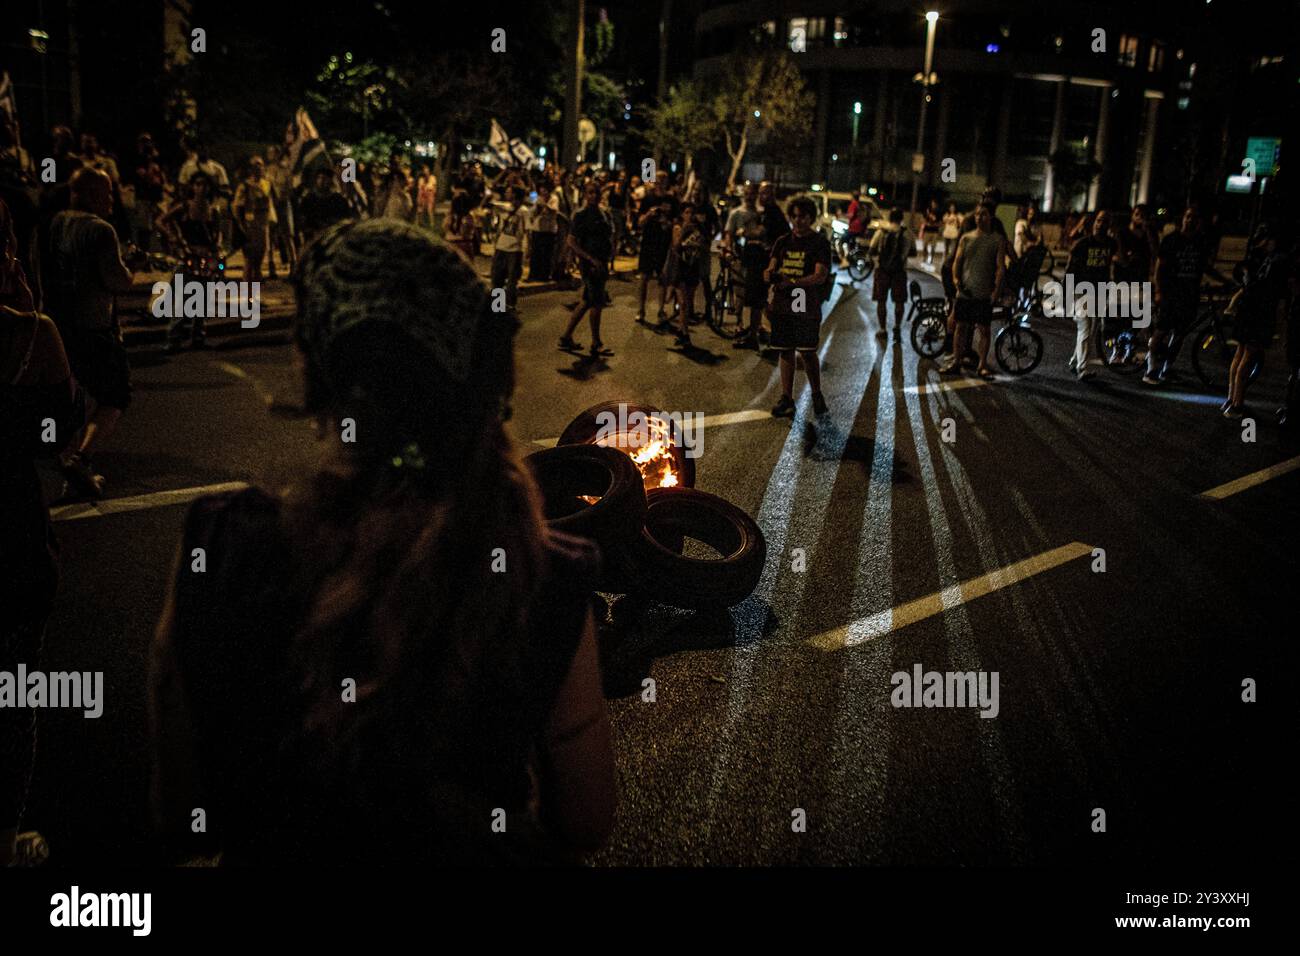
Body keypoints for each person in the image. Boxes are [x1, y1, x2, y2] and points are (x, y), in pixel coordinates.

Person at [149, 218, 616, 864]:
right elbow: (586, 822)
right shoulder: (544, 574)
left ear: (317, 371)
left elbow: (182, 811)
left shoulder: (223, 543)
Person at [1, 298, 84, 867]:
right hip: (11, 538)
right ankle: (6, 839)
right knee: (12, 693)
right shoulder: (30, 334)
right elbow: (62, 425)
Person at [42, 167, 134, 498]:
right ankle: (81, 458)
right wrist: (130, 269)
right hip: (94, 326)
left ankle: (71, 466)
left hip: (61, 324)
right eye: (106, 192)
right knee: (115, 395)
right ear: (89, 194)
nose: (111, 200)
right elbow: (116, 280)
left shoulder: (55, 224)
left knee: (78, 396)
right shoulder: (100, 230)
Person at [764, 195, 832, 418]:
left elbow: (820, 275)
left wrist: (793, 283)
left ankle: (816, 394)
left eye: (802, 216)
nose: (797, 221)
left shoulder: (819, 242)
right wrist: (769, 274)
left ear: (811, 217)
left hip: (806, 304)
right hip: (783, 305)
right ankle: (786, 398)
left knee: (807, 351)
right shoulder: (782, 241)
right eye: (793, 216)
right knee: (785, 349)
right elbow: (772, 265)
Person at [1143, 206, 1219, 387]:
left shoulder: (1200, 242)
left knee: (1180, 334)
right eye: (1188, 217)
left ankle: (1167, 369)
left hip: (1190, 294)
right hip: (1171, 292)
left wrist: (1222, 280)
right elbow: (1159, 267)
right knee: (1161, 330)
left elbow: (1205, 267)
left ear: (1198, 222)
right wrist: (1159, 291)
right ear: (1183, 219)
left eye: (1194, 218)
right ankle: (1151, 369)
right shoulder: (1171, 240)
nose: (1190, 220)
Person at [1223, 223, 1293, 419]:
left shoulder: (1254, 257)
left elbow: (1244, 282)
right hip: (1260, 312)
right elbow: (1277, 293)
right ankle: (1237, 404)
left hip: (1246, 309)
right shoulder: (1277, 260)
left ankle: (1231, 399)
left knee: (1240, 353)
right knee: (1248, 356)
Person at [940, 202, 1005, 379]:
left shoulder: (997, 240)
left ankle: (982, 365)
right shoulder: (966, 238)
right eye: (977, 215)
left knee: (984, 330)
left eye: (983, 214)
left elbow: (1000, 267)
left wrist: (996, 291)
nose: (979, 218)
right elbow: (957, 262)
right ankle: (956, 361)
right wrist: (956, 280)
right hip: (965, 291)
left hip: (984, 292)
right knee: (960, 328)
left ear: (990, 217)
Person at [559, 181, 613, 357]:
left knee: (587, 301)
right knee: (596, 303)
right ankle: (596, 343)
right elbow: (571, 241)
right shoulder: (580, 215)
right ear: (584, 194)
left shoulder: (604, 213)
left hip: (602, 263)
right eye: (590, 193)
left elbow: (608, 236)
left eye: (596, 193)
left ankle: (566, 337)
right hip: (590, 265)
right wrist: (589, 259)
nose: (594, 196)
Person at [1063, 209, 1116, 381]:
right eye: (1098, 220)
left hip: (1099, 291)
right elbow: (1069, 270)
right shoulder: (1082, 244)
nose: (1100, 224)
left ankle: (1074, 361)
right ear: (1094, 223)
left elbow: (1114, 265)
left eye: (1104, 221)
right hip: (1081, 290)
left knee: (1090, 331)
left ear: (1109, 225)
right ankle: (1082, 368)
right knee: (1085, 327)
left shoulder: (1111, 244)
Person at [724, 182, 768, 350]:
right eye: (747, 193)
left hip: (756, 259)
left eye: (752, 194)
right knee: (739, 292)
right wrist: (728, 251)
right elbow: (728, 234)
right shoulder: (736, 213)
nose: (749, 197)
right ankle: (739, 323)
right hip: (739, 256)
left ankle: (754, 327)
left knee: (755, 294)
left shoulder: (761, 213)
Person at [665, 202, 706, 347]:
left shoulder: (698, 229)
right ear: (682, 214)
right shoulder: (677, 227)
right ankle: (685, 333)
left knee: (688, 302)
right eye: (687, 212)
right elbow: (675, 246)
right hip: (680, 267)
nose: (690, 215)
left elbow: (703, 245)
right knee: (682, 302)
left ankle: (682, 331)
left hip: (692, 266)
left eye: (692, 212)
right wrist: (684, 231)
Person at [868, 207, 912, 339]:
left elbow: (871, 250)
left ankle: (882, 329)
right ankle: (897, 327)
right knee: (899, 302)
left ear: (889, 218)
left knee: (881, 301)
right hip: (899, 271)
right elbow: (913, 252)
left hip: (882, 270)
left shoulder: (881, 232)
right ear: (901, 219)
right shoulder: (907, 233)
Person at [233, 156, 277, 289]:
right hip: (250, 226)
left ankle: (255, 298)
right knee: (249, 262)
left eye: (261, 165)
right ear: (250, 169)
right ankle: (247, 296)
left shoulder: (267, 184)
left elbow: (271, 203)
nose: (258, 168)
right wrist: (242, 226)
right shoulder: (245, 186)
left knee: (258, 263)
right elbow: (237, 207)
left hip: (263, 226)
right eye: (255, 165)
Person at [491, 186, 529, 312]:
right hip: (501, 247)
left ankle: (510, 306)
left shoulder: (523, 211)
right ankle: (498, 306)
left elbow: (527, 230)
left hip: (515, 249)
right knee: (498, 277)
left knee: (512, 279)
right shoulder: (504, 207)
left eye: (509, 192)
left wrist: (527, 248)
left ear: (515, 195)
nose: (506, 193)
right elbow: (489, 202)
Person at [635, 195, 673, 325]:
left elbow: (675, 225)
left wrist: (665, 221)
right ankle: (640, 310)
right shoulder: (648, 199)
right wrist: (649, 214)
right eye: (658, 179)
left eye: (664, 179)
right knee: (644, 277)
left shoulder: (671, 200)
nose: (660, 182)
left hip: (663, 245)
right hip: (648, 244)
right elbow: (639, 222)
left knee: (662, 278)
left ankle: (661, 311)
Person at [297, 169, 352, 247]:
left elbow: (346, 220)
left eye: (324, 178)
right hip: (315, 239)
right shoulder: (309, 199)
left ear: (330, 180)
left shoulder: (339, 200)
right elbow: (303, 219)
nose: (321, 181)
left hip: (334, 239)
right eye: (319, 178)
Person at [527, 183, 559, 282]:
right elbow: (531, 210)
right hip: (537, 228)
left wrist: (544, 204)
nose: (543, 193)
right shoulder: (535, 197)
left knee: (546, 254)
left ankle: (544, 275)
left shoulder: (554, 198)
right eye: (541, 190)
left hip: (548, 230)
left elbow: (554, 210)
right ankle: (533, 275)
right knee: (535, 253)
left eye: (545, 190)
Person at [416, 164, 438, 229]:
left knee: (429, 209)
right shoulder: (421, 179)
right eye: (425, 170)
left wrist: (432, 193)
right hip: (423, 195)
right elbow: (420, 189)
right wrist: (419, 197)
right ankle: (419, 222)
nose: (426, 171)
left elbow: (434, 188)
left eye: (427, 170)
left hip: (430, 195)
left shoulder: (432, 177)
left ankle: (432, 223)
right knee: (421, 209)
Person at [920, 199, 941, 265]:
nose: (933, 205)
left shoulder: (938, 212)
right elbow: (922, 219)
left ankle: (931, 258)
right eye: (932, 203)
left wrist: (934, 224)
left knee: (933, 246)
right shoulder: (927, 211)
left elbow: (940, 223)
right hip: (927, 231)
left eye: (934, 204)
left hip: (935, 231)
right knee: (924, 245)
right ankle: (924, 257)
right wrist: (926, 223)